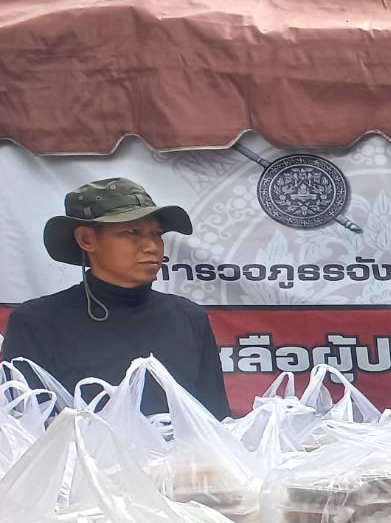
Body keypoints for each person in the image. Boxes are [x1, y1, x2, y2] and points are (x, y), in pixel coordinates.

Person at [1, 178, 230, 417]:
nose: (152, 246)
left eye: (157, 233)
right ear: (87, 239)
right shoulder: (37, 322)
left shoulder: (189, 318)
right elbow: (29, 427)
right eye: (132, 232)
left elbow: (215, 422)